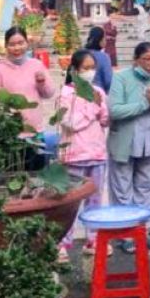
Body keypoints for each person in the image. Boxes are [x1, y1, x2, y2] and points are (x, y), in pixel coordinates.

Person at [108, 42, 150, 252]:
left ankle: (143, 230)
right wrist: (144, 104)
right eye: (146, 59)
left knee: (146, 188)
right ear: (136, 59)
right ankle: (125, 233)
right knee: (122, 189)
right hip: (124, 142)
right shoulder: (121, 77)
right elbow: (115, 110)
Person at [57, 50, 110, 261]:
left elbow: (105, 120)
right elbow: (70, 123)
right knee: (70, 201)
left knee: (95, 200)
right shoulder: (66, 94)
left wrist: (99, 106)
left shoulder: (98, 91)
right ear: (75, 70)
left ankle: (93, 240)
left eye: (92, 68)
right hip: (74, 154)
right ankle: (62, 243)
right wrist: (92, 107)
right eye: (85, 68)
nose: (90, 72)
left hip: (97, 153)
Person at [0, 27, 56, 137]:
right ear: (6, 46)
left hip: (36, 131)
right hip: (11, 134)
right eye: (12, 44)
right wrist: (6, 114)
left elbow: (49, 94)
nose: (17, 48)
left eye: (21, 43)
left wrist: (42, 83)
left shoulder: (36, 65)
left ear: (27, 43)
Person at [85, 26, 115, 93]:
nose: (106, 40)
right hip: (98, 93)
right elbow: (108, 81)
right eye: (104, 37)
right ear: (99, 40)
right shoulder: (103, 57)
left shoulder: (80, 53)